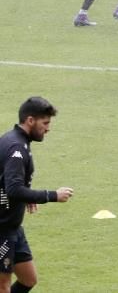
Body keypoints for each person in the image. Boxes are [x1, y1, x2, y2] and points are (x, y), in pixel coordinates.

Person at [0, 97, 74, 293]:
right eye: (45, 123)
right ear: (30, 120)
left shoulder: (16, 141)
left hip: (12, 226)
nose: (48, 129)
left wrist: (28, 197)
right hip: (2, 229)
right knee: (3, 285)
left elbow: (8, 183)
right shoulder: (16, 147)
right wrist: (52, 195)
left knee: (28, 279)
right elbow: (13, 189)